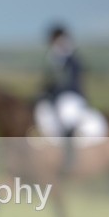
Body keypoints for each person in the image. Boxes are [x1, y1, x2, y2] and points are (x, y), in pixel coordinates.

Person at [36, 24, 88, 171]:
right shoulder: (54, 57)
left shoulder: (70, 58)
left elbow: (69, 80)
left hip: (70, 96)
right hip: (56, 97)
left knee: (66, 116)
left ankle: (70, 157)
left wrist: (55, 90)